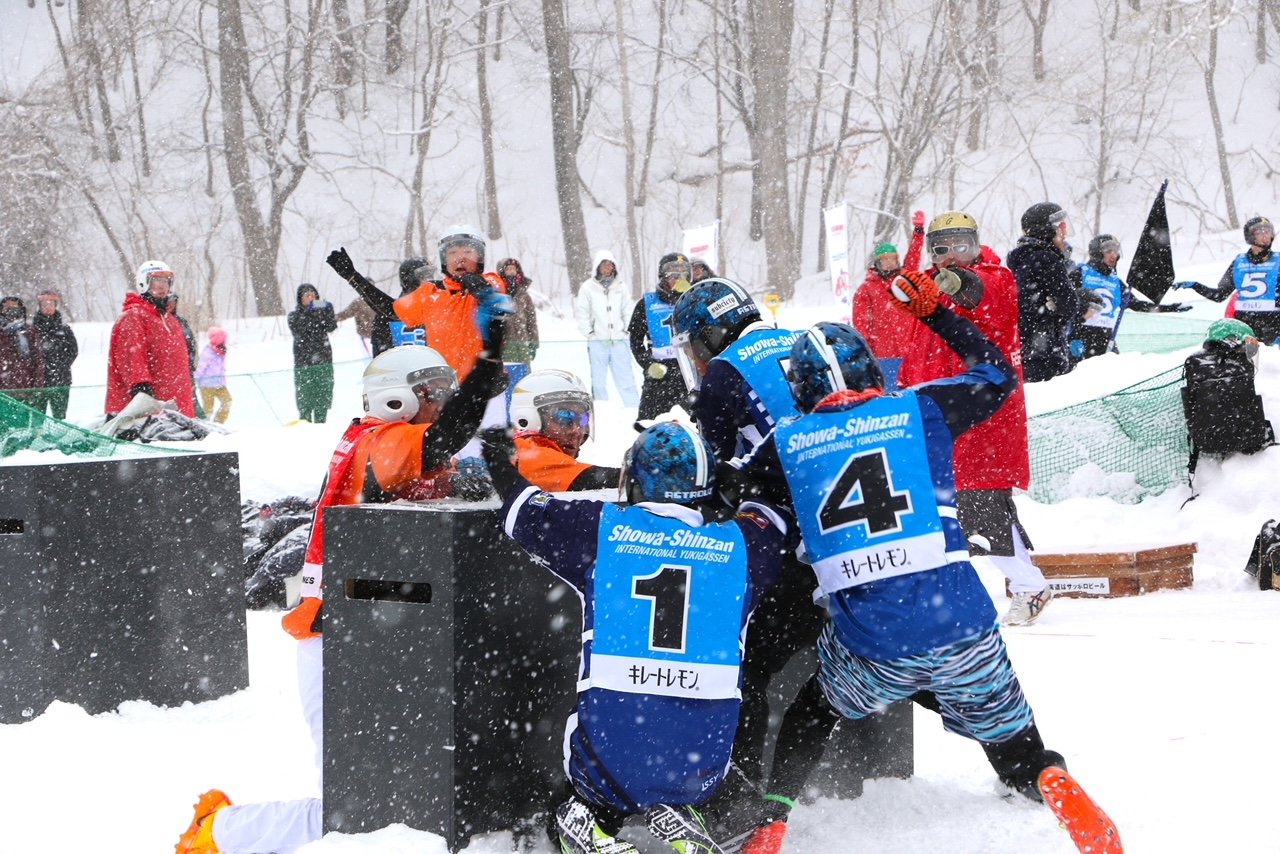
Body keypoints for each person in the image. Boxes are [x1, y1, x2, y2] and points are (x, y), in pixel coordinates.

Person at [734, 284, 1120, 854]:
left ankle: (773, 819)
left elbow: (736, 485)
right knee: (1008, 736)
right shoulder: (922, 408)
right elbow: (997, 373)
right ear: (871, 368)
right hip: (962, 625)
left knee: (812, 711)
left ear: (800, 388)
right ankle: (1043, 774)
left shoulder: (785, 441)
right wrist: (937, 313)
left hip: (875, 644)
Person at [175, 293, 511, 854]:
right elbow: (444, 439)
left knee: (371, 796)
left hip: (367, 629)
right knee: (351, 803)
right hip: (333, 636)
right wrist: (486, 365)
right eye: (435, 395)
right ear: (398, 399)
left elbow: (451, 467)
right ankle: (218, 834)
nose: (443, 404)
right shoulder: (378, 440)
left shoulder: (397, 442)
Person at [477, 420, 790, 854]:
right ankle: (689, 808)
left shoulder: (599, 528)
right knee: (734, 787)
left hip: (612, 750)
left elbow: (518, 507)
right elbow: (773, 511)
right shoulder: (745, 546)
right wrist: (738, 484)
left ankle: (581, 822)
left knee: (583, 781)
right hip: (701, 762)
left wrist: (496, 455)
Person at [898, 211, 1052, 627]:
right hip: (938, 414)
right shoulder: (928, 287)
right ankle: (957, 594)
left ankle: (1029, 585)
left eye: (960, 245)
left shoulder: (997, 277)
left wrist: (958, 281)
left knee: (979, 505)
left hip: (986, 414)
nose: (951, 255)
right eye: (941, 247)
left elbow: (979, 295)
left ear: (976, 243)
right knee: (941, 509)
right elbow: (918, 352)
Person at [328, 227, 511, 448]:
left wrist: (478, 287)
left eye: (468, 252)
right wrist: (353, 277)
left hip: (487, 391)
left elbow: (494, 293)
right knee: (450, 464)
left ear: (480, 257)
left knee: (493, 456)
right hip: (447, 395)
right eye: (453, 253)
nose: (460, 258)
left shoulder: (492, 282)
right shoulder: (430, 294)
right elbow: (389, 310)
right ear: (444, 259)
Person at [1070, 234, 1187, 361]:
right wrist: (1074, 333)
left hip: (1106, 340)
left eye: (1115, 251)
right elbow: (1064, 302)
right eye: (1108, 251)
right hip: (1080, 337)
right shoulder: (1081, 273)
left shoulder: (1116, 282)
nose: (1113, 255)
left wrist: (1171, 308)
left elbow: (1137, 305)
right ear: (1097, 253)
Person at [105, 260, 195, 418]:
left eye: (166, 281)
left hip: (176, 408)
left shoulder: (169, 320)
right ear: (143, 283)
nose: (162, 286)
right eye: (156, 281)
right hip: (148, 414)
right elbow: (132, 359)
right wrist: (142, 390)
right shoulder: (134, 317)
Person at [1173, 215, 1280, 345]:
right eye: (1260, 232)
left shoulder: (1278, 260)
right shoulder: (1239, 262)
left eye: (1268, 232)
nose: (1265, 236)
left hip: (1273, 325)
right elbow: (1219, 295)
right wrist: (1196, 285)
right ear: (1250, 235)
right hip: (1244, 327)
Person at [508, 369, 620, 491]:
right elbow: (588, 480)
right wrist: (636, 472)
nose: (576, 431)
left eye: (583, 419)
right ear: (527, 418)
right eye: (564, 416)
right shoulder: (528, 454)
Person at [851, 211, 926, 388]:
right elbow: (861, 323)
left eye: (893, 259)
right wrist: (867, 351)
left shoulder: (904, 279)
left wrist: (918, 231)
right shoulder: (866, 289)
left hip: (910, 351)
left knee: (913, 392)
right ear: (877, 263)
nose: (890, 264)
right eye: (885, 260)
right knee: (889, 393)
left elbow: (914, 256)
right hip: (883, 355)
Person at [1009, 202, 1080, 382]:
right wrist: (1056, 312)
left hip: (1025, 348)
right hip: (1046, 351)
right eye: (1059, 226)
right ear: (1046, 230)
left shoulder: (1023, 258)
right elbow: (1070, 304)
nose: (1063, 231)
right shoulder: (1047, 258)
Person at [628, 252, 693, 421]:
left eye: (683, 275)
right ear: (663, 277)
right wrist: (648, 364)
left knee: (704, 421)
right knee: (647, 423)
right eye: (673, 275)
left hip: (690, 371)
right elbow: (636, 340)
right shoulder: (646, 303)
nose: (679, 279)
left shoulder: (694, 300)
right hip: (660, 373)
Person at [575, 249, 639, 407]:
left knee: (626, 378)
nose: (607, 268)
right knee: (598, 380)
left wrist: (627, 330)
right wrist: (589, 333)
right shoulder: (588, 287)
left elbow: (627, 309)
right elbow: (582, 312)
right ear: (597, 267)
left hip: (619, 340)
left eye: (610, 264)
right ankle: (601, 408)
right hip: (598, 341)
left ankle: (633, 408)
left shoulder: (621, 286)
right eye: (604, 265)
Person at [287, 284, 338, 423]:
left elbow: (331, 326)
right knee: (305, 399)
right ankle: (305, 424)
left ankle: (321, 424)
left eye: (313, 295)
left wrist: (328, 312)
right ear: (300, 299)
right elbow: (301, 329)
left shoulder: (321, 312)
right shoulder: (294, 316)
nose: (310, 298)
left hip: (323, 361)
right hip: (304, 364)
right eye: (307, 295)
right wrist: (311, 313)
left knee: (322, 397)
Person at [29, 289, 77, 419]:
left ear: (56, 305)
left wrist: (61, 365)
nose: (48, 307)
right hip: (39, 381)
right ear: (40, 306)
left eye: (51, 303)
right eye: (45, 304)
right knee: (37, 416)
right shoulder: (32, 329)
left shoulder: (64, 329)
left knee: (59, 417)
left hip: (61, 379)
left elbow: (73, 351)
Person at [497, 257, 540, 400]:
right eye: (508, 269)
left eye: (513, 269)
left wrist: (533, 342)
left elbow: (531, 321)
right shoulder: (497, 294)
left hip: (522, 345)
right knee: (506, 385)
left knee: (524, 384)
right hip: (504, 347)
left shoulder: (524, 295)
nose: (511, 272)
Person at [0, 296, 45, 409]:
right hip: (2, 391)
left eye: (14, 307)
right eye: (7, 308)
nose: (11, 311)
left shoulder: (29, 331)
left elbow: (38, 360)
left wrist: (37, 386)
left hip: (25, 388)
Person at [168, 291, 205, 419]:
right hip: (173, 373)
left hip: (187, 369)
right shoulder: (161, 322)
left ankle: (198, 421)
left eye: (173, 302)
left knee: (192, 399)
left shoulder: (181, 322)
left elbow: (192, 343)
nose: (171, 305)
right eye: (169, 302)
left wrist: (192, 362)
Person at [194, 327, 232, 424]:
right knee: (208, 409)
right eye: (222, 340)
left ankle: (218, 423)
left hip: (220, 384)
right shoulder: (208, 353)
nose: (224, 342)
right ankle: (206, 426)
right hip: (207, 385)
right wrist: (194, 379)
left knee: (227, 401)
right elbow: (200, 368)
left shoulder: (221, 351)